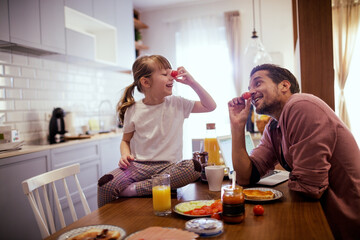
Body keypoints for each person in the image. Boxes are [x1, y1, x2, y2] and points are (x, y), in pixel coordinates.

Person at [228, 64, 360, 239]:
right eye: (249, 88)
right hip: (322, 217)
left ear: (284, 86)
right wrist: (237, 126)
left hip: (347, 222)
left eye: (257, 83)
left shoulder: (301, 105)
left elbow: (309, 187)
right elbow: (245, 176)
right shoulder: (274, 127)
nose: (250, 93)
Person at [97, 55, 216, 207]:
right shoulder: (132, 109)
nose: (172, 77)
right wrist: (125, 154)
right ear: (146, 82)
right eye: (165, 74)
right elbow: (125, 140)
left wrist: (192, 83)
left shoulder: (177, 103)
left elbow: (210, 106)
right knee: (104, 185)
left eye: (170, 72)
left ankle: (136, 189)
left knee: (193, 168)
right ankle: (106, 227)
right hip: (138, 167)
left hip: (169, 167)